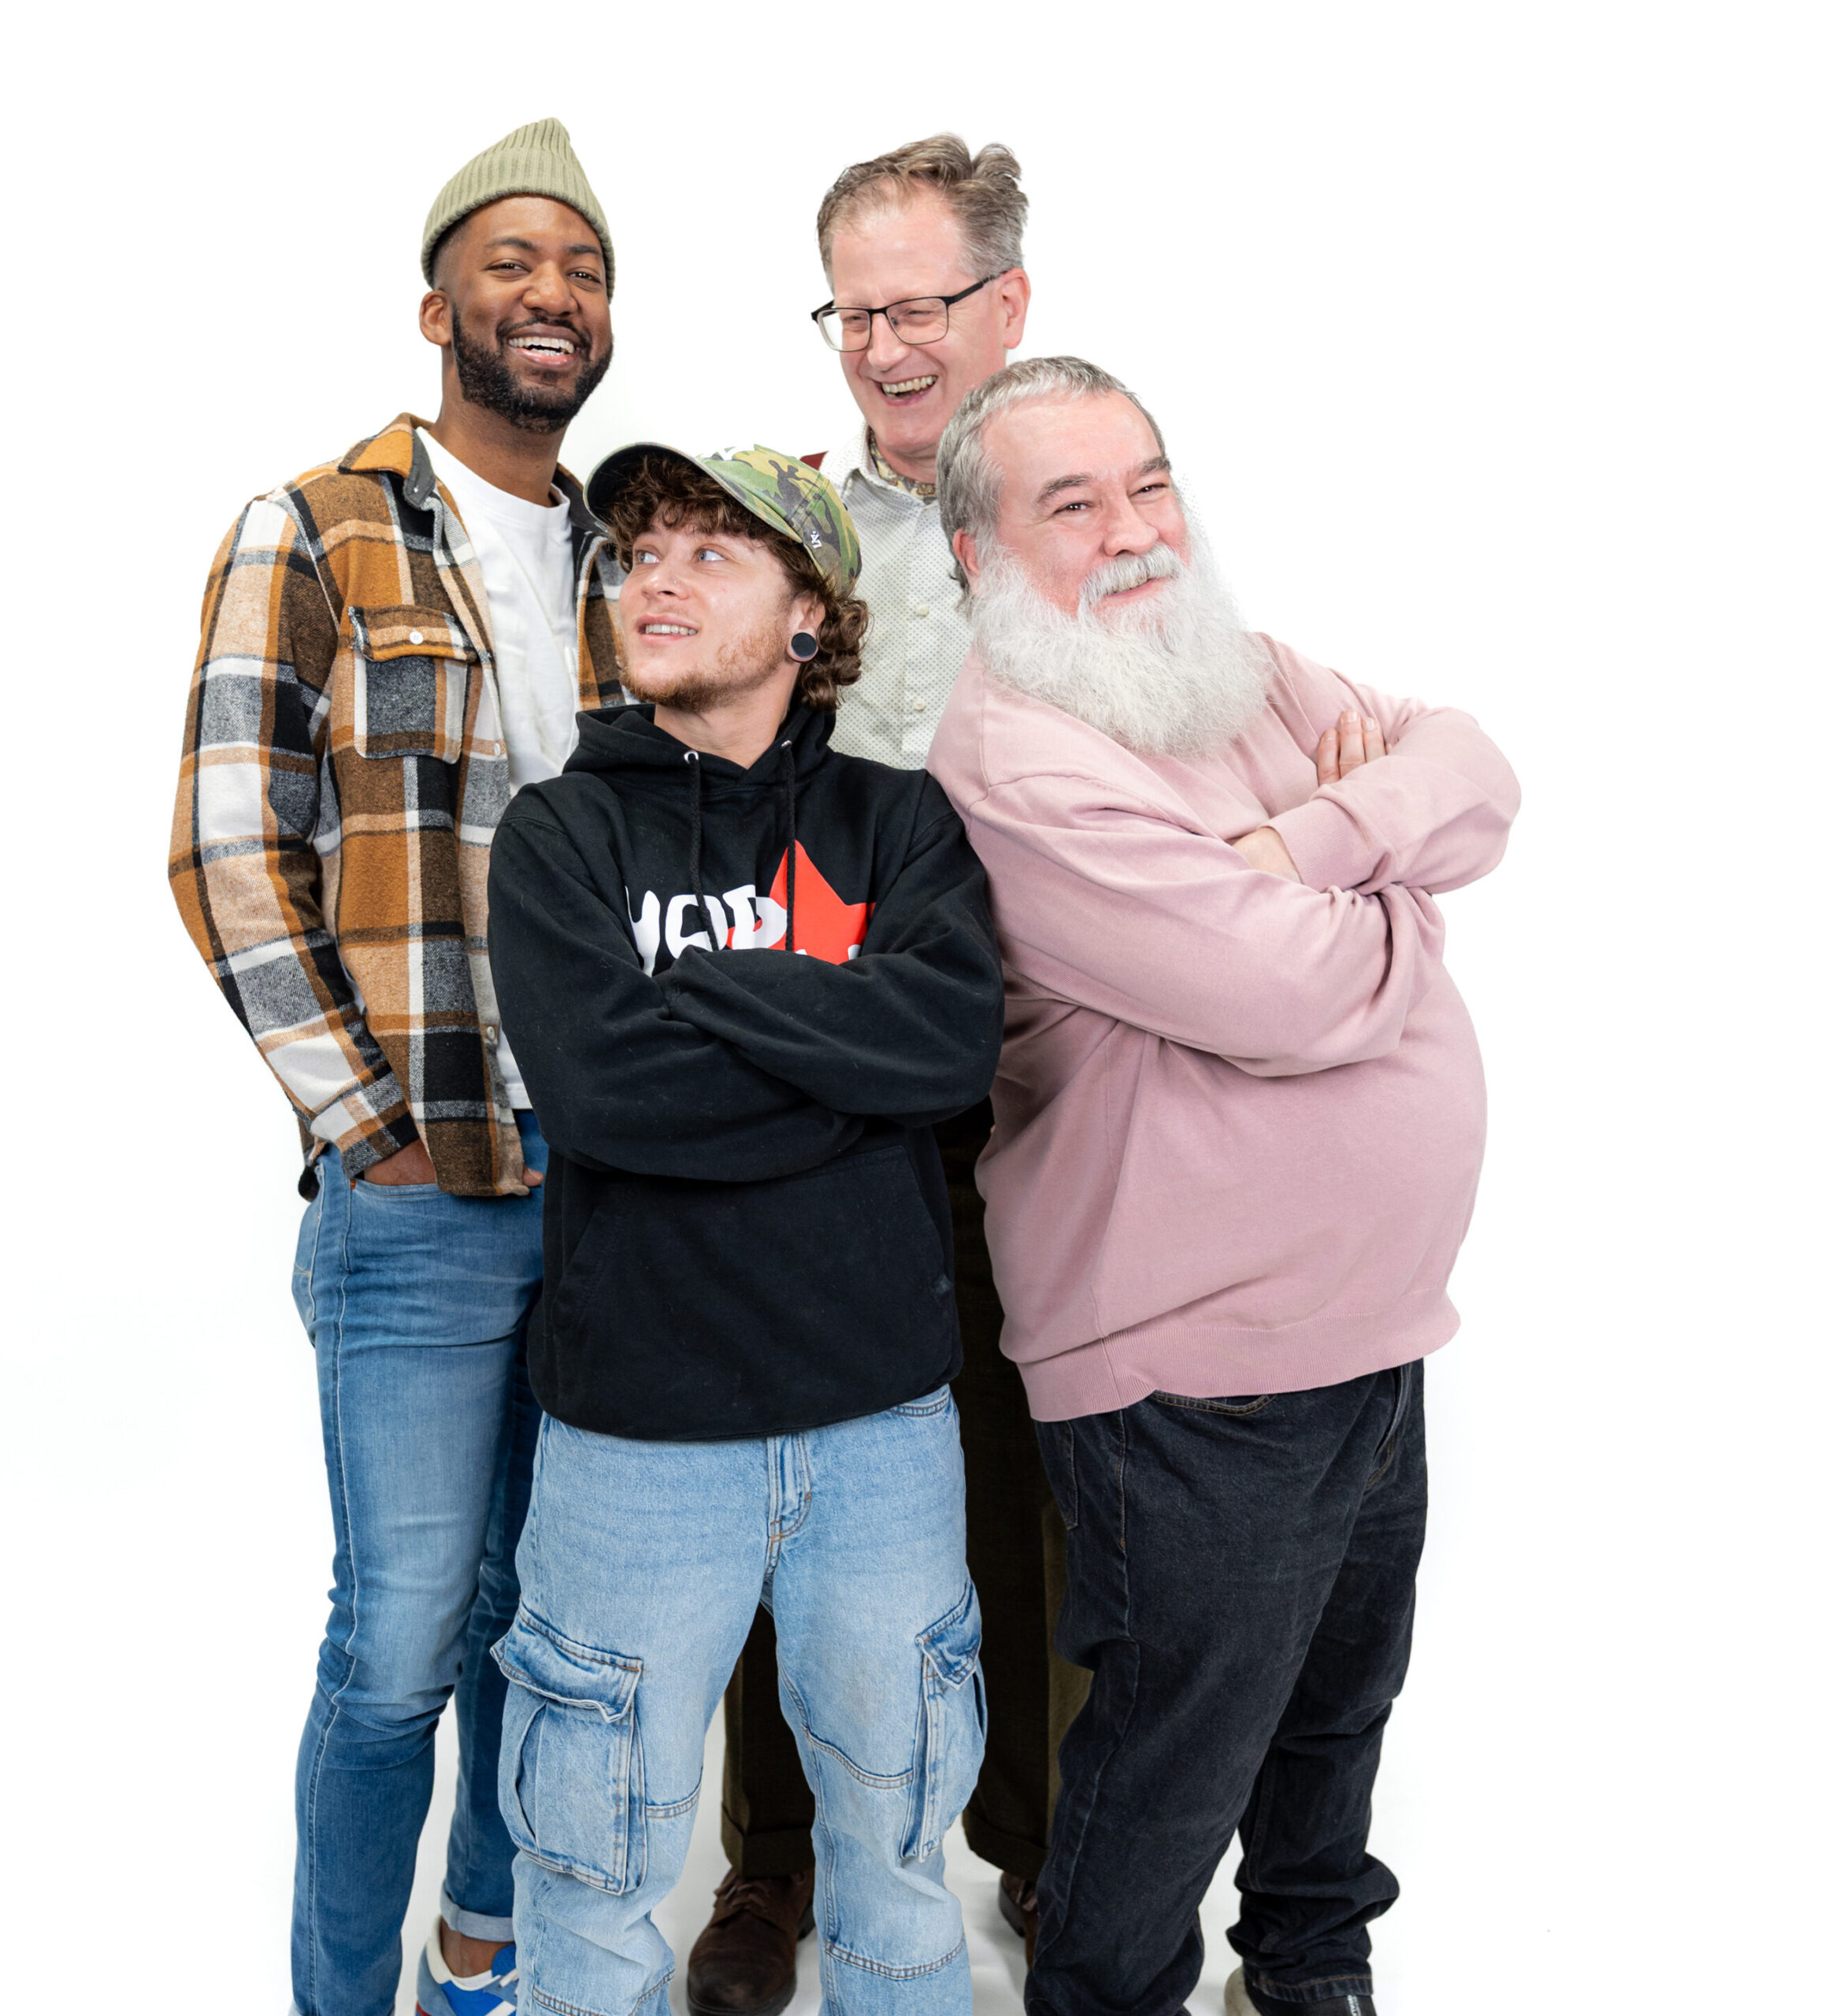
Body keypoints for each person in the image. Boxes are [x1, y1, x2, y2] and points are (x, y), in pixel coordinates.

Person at [925, 357, 1520, 2016]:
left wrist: (1318, 838)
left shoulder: (1230, 671)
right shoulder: (1016, 759)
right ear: (974, 556)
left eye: (1148, 480)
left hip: (1370, 1325)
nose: (1131, 530)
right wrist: (1398, 883)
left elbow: (1474, 765)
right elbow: (1285, 994)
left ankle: (1309, 1964)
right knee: (1175, 1756)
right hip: (1192, 1371)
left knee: (1339, 1703)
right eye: (1070, 502)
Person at [169, 119, 623, 2016]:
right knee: (399, 1641)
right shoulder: (316, 524)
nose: (552, 297)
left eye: (585, 271)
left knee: (544, 1621)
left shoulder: (630, 545)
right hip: (419, 1201)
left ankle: (482, 1957)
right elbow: (224, 846)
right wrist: (375, 1125)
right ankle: (340, 1996)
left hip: (609, 1191)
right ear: (439, 304)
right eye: (515, 264)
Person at [482, 443, 1004, 2016]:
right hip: (635, 1442)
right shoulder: (561, 836)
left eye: (712, 551)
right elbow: (603, 1093)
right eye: (641, 549)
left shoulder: (900, 822)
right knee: (586, 1883)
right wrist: (840, 1055)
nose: (655, 575)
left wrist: (704, 992)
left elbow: (948, 1048)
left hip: (880, 1425)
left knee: (898, 1861)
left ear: (806, 614)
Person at [691, 134, 1071, 2016]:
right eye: (853, 311)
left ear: (1006, 303)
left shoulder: (1085, 514)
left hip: (1047, 1097)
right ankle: (775, 1860)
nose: (884, 347)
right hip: (825, 1098)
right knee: (790, 1469)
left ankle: (1034, 1844)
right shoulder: (796, 535)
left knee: (1032, 1475)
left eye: (916, 305)